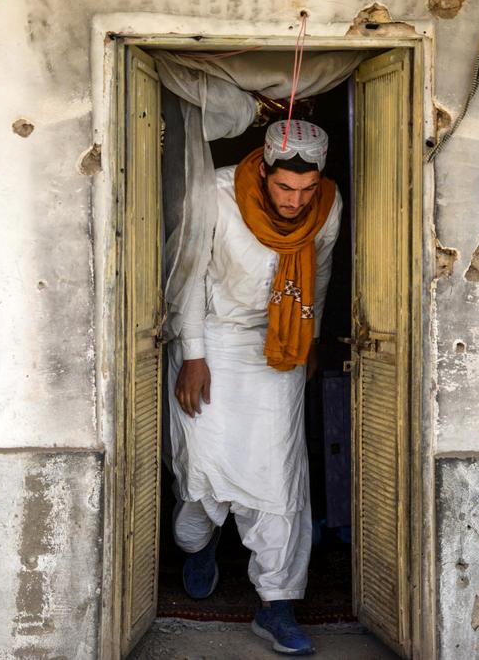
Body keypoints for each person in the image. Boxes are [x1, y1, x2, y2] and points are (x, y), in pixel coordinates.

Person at [168, 119, 341, 656]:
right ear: (263, 170)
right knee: (204, 462)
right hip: (214, 337)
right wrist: (193, 355)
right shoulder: (216, 194)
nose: (296, 202)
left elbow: (322, 269)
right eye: (286, 188)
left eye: (306, 190)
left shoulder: (327, 204)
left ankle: (277, 603)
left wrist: (307, 341)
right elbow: (191, 274)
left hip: (279, 341)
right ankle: (198, 544)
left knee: (279, 472)